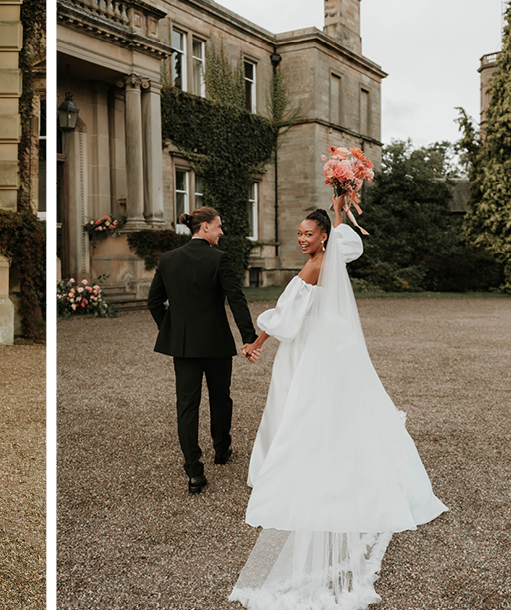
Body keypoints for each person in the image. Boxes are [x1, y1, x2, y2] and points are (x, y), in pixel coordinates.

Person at [229, 195, 447, 609]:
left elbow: (286, 318)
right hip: (337, 349)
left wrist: (256, 342)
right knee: (344, 409)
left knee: (292, 406)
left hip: (309, 350)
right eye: (298, 234)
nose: (301, 239)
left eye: (308, 234)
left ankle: (289, 468)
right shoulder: (336, 258)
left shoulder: (314, 266)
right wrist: (338, 204)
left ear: (322, 237)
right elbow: (354, 242)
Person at [147, 206, 259, 494]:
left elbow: (154, 302)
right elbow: (237, 300)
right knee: (221, 398)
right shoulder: (219, 259)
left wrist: (171, 331)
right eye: (218, 226)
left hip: (183, 347)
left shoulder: (168, 260)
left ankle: (194, 472)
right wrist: (249, 339)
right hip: (216, 343)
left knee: (187, 405)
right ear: (204, 228)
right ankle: (222, 450)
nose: (221, 232)